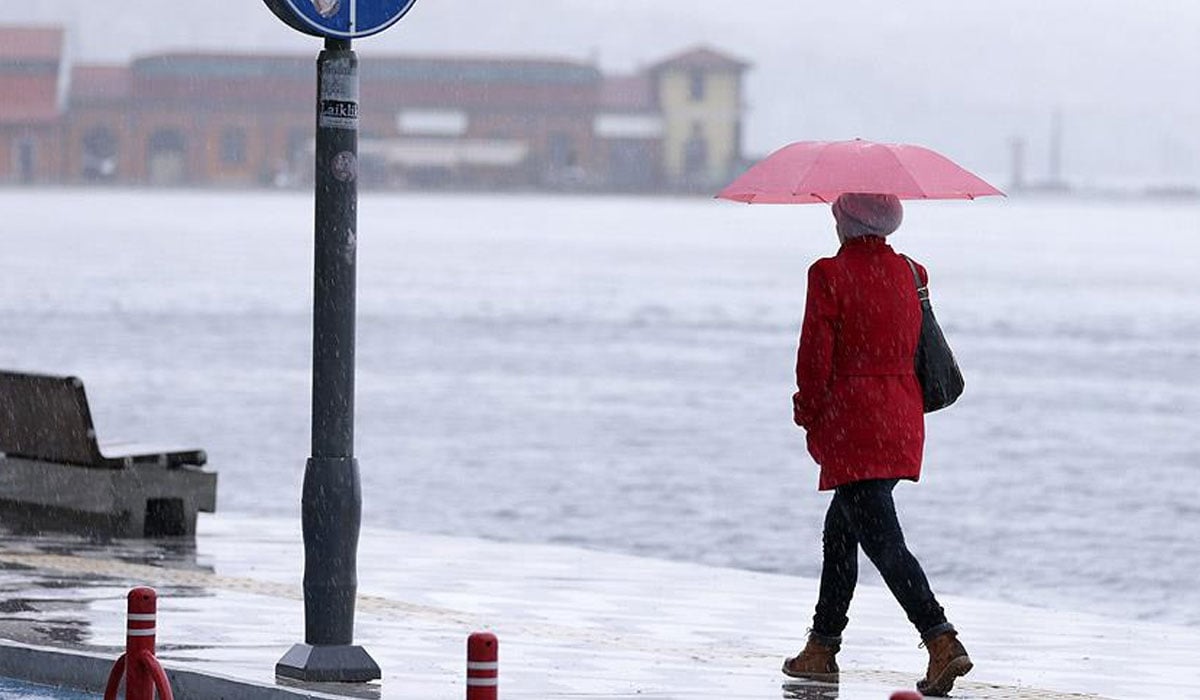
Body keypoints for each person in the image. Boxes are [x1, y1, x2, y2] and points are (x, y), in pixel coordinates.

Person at [782, 193, 972, 696]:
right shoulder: (912, 272)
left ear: (845, 219)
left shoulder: (828, 275)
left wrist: (806, 413)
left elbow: (814, 358)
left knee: (883, 542)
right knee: (842, 533)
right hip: (901, 420)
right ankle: (821, 649)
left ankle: (941, 639)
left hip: (853, 424)